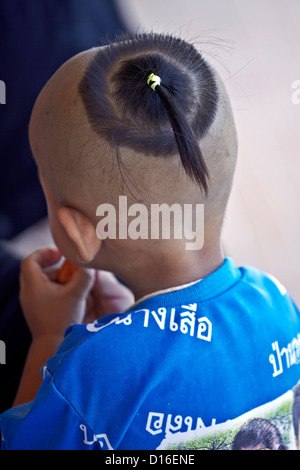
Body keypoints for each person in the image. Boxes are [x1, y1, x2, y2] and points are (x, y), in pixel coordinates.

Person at [1, 32, 300, 450]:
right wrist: (130, 322)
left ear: (78, 234)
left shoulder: (92, 370)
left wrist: (50, 339)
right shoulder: (279, 305)